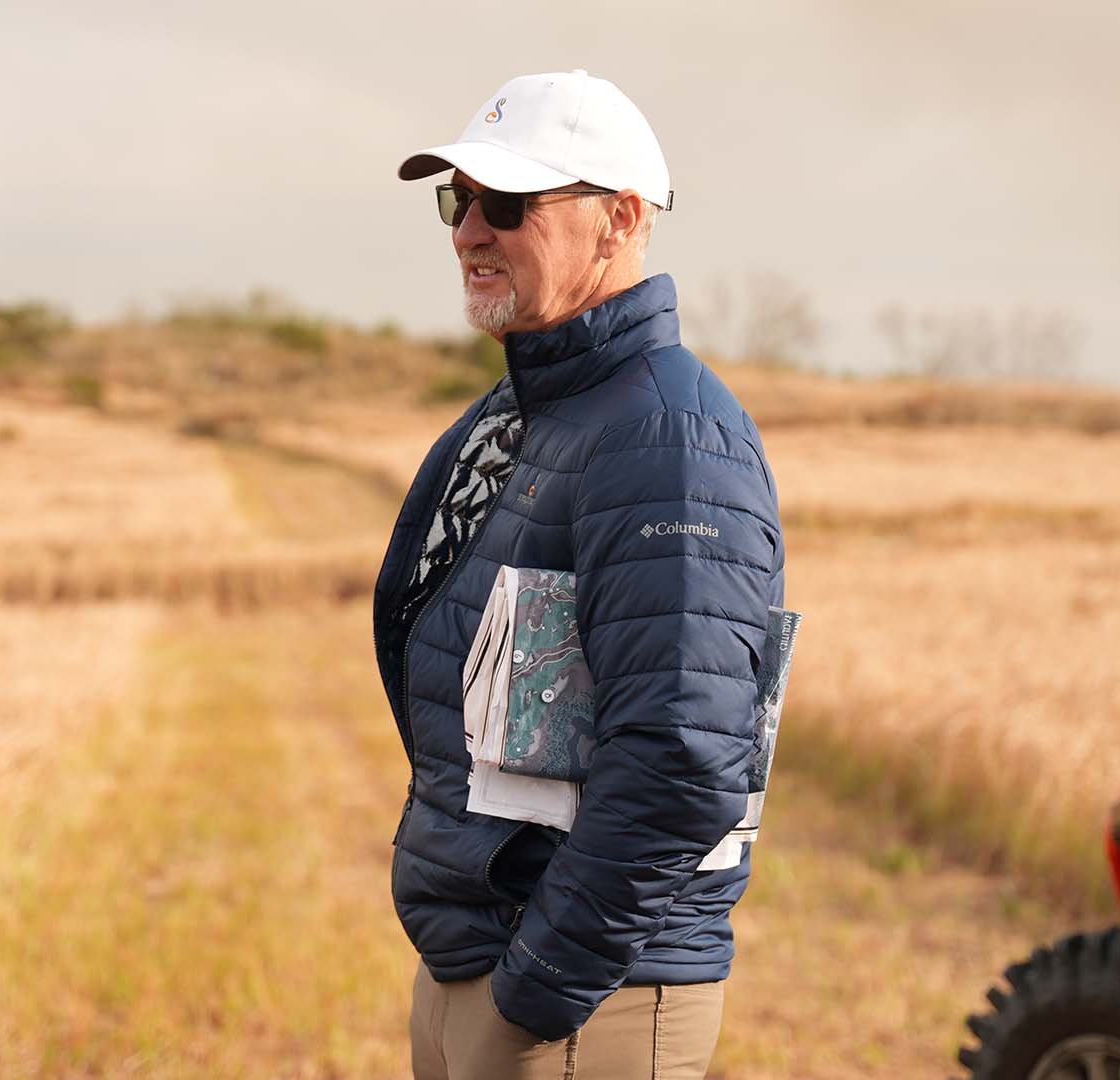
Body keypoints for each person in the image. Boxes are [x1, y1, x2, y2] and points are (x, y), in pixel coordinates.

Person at [370, 70, 786, 1079]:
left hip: (578, 1002)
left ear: (621, 221)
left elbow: (683, 756)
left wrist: (536, 990)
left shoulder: (667, 436)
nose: (469, 230)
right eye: (455, 200)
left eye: (506, 204)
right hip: (481, 964)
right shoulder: (523, 414)